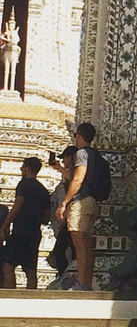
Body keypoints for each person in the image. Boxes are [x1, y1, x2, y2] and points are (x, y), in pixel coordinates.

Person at [56, 123, 98, 291]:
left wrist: (65, 202)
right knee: (86, 245)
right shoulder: (94, 155)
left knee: (79, 245)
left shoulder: (81, 153)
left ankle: (82, 283)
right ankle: (86, 282)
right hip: (91, 201)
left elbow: (78, 179)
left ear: (79, 136)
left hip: (80, 202)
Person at [0, 156, 51, 289]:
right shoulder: (43, 191)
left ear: (28, 168)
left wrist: (4, 226)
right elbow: (46, 217)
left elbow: (17, 208)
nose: (21, 169)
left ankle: (10, 297)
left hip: (21, 231)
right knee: (30, 270)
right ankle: (31, 298)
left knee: (8, 266)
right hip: (34, 232)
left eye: (23, 167)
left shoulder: (24, 185)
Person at [48, 146, 77, 278]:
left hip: (73, 218)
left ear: (69, 158)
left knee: (62, 250)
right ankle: (66, 274)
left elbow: (72, 178)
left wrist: (59, 168)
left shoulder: (76, 172)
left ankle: (66, 275)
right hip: (69, 219)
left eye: (64, 158)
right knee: (67, 249)